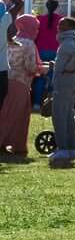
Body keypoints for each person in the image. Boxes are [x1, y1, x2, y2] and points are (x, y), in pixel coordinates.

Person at [48, 21, 75, 165]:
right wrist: (58, 65)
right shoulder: (67, 41)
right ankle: (71, 148)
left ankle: (63, 148)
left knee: (59, 115)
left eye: (62, 25)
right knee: (68, 115)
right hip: (69, 81)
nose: (59, 27)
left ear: (70, 28)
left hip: (64, 82)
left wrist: (68, 68)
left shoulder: (67, 43)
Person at [0, 15, 33, 159]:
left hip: (6, 78)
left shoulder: (8, 39)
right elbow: (30, 66)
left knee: (4, 113)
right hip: (21, 82)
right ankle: (16, 144)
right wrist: (43, 69)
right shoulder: (29, 43)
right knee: (18, 116)